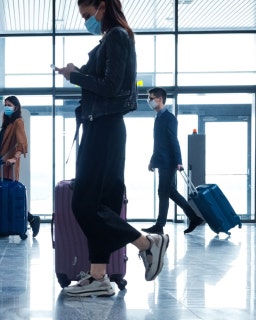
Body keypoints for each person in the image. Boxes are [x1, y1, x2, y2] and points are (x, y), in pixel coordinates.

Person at [55, 0, 169, 297]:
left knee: (83, 204)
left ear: (102, 6)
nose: (86, 21)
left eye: (87, 15)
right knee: (102, 206)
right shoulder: (111, 38)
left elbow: (111, 86)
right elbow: (103, 83)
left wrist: (75, 75)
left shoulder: (118, 36)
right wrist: (77, 72)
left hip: (105, 128)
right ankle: (98, 276)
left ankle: (148, 243)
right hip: (102, 126)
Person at [142, 87, 204, 235]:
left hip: (168, 162)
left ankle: (160, 225)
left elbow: (173, 141)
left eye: (151, 98)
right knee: (170, 192)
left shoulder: (169, 118)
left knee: (163, 192)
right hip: (162, 161)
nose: (149, 101)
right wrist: (152, 161)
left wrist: (179, 161)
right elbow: (158, 143)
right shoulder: (159, 117)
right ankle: (194, 218)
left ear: (160, 99)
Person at [0, 95, 41, 237]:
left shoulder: (18, 121)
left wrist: (15, 158)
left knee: (9, 196)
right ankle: (5, 226)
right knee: (2, 196)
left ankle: (30, 219)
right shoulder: (7, 123)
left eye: (9, 105)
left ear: (16, 107)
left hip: (7, 165)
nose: (6, 107)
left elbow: (22, 142)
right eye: (5, 105)